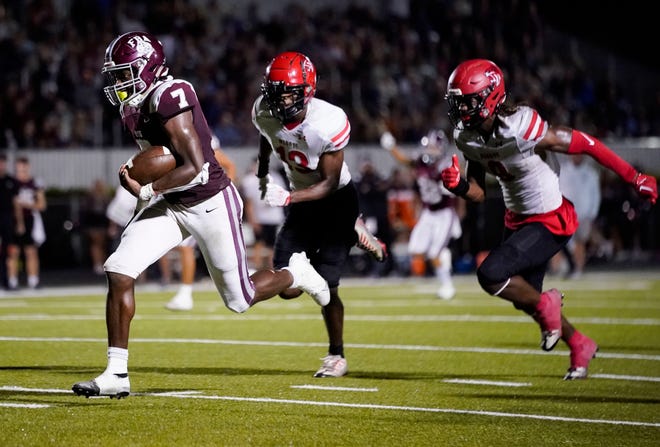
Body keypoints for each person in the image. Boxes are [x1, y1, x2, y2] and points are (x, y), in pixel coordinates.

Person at [72, 31, 331, 399]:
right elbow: (160, 159)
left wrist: (148, 189)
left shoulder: (171, 94)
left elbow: (194, 166)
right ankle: (117, 373)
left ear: (147, 67)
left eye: (125, 72)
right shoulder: (133, 105)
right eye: (115, 75)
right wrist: (147, 193)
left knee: (239, 299)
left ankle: (297, 272)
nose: (118, 82)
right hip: (172, 204)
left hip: (209, 200)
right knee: (119, 268)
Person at [440, 59, 657, 380]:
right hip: (517, 219)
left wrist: (634, 175)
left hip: (549, 217)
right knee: (522, 296)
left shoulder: (521, 126)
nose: (461, 108)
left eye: (467, 101)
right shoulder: (467, 137)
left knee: (491, 275)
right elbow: (478, 194)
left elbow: (584, 142)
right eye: (457, 102)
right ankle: (579, 342)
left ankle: (549, 304)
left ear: (490, 96)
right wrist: (458, 186)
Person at [252, 51, 386, 378]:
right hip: (302, 203)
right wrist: (263, 172)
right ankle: (348, 237)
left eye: (289, 93)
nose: (281, 102)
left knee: (327, 289)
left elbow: (327, 184)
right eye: (276, 93)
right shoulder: (263, 112)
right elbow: (268, 137)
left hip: (336, 201)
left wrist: (287, 196)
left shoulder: (327, 122)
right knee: (287, 286)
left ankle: (336, 355)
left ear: (307, 90)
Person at [380, 129, 464, 299]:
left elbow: (462, 183)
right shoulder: (421, 162)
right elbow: (403, 160)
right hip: (428, 212)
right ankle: (443, 255)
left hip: (444, 213)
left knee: (434, 253)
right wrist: (391, 147)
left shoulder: (446, 166)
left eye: (434, 148)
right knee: (415, 249)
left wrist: (459, 212)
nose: (430, 151)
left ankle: (447, 286)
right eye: (429, 147)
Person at [163, 135, 238, 311]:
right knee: (189, 247)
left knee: (190, 247)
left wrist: (225, 190)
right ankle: (185, 293)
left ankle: (185, 294)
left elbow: (229, 165)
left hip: (204, 201)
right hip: (186, 200)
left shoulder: (201, 135)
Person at [552, 154, 602, 278]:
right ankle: (559, 268)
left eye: (580, 155)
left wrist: (592, 213)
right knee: (556, 243)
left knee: (580, 243)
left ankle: (578, 269)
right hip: (564, 215)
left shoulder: (591, 173)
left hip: (583, 215)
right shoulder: (562, 170)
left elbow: (596, 194)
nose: (577, 157)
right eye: (575, 155)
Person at [7, 156, 47, 290]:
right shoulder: (11, 183)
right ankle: (12, 281)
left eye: (24, 168)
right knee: (13, 251)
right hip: (12, 221)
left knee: (31, 251)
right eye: (19, 169)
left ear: (28, 167)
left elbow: (41, 205)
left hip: (30, 219)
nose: (22, 172)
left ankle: (33, 280)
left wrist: (25, 204)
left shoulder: (35, 182)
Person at [240, 157, 286, 271]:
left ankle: (273, 270)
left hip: (274, 217)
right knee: (258, 244)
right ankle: (257, 270)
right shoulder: (250, 180)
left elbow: (282, 195)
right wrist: (252, 220)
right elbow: (248, 203)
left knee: (272, 245)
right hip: (259, 217)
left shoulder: (275, 177)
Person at [0, 153, 19, 290]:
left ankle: (7, 281)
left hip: (6, 218)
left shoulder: (11, 181)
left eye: (2, 163)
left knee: (7, 251)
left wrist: (19, 222)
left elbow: (16, 203)